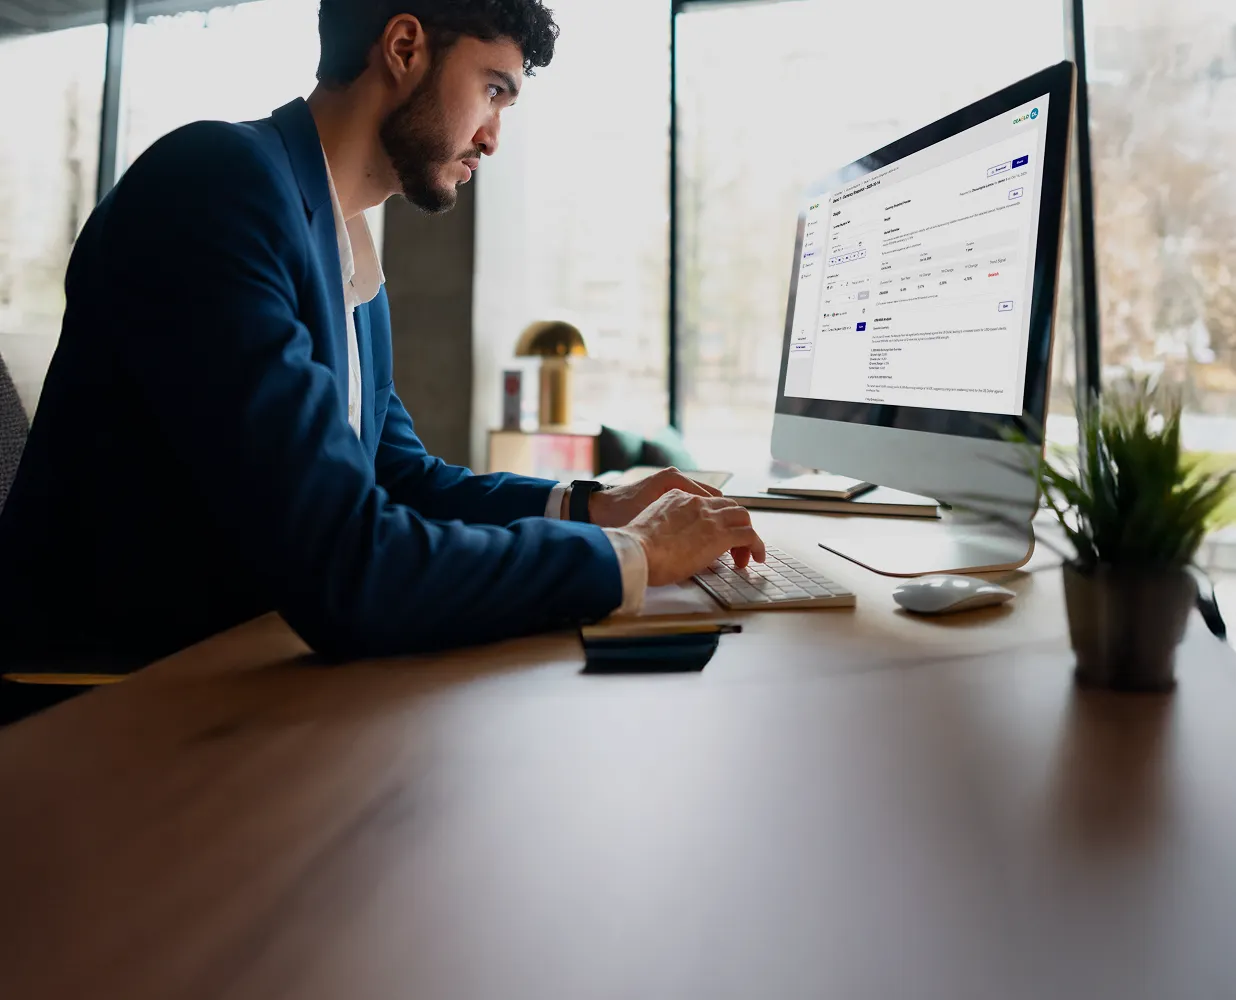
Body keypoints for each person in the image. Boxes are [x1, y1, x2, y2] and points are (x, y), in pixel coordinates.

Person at [0, 0, 765, 666]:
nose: (493, 136)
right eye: (493, 89)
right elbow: (349, 563)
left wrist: (596, 508)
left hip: (237, 665)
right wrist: (632, 557)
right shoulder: (216, 185)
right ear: (404, 49)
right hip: (108, 705)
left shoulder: (344, 243)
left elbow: (400, 479)